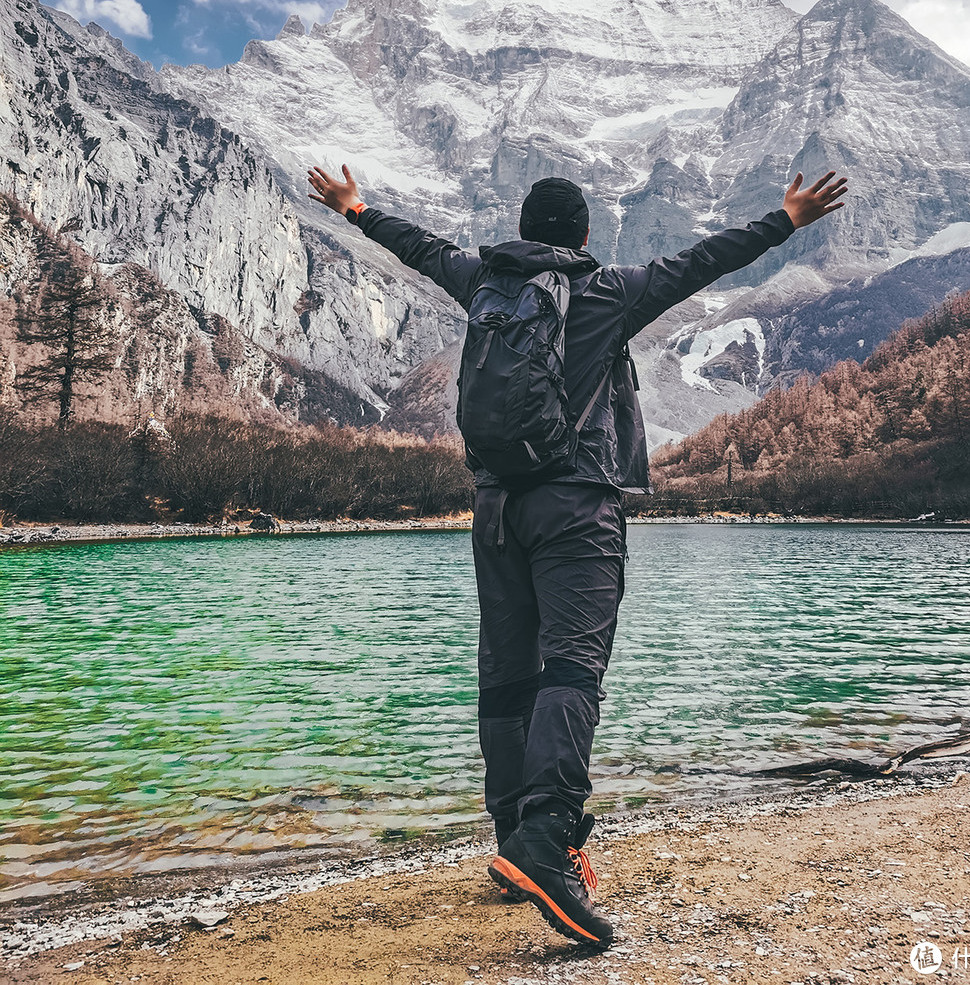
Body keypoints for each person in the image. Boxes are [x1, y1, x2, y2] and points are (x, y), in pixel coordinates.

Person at [307, 164, 847, 949]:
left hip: (494, 508)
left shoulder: (485, 279)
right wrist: (788, 219)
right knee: (571, 671)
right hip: (576, 506)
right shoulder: (609, 290)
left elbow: (419, 249)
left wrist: (354, 208)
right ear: (586, 236)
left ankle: (510, 842)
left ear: (524, 229)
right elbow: (704, 260)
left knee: (506, 676)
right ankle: (549, 840)